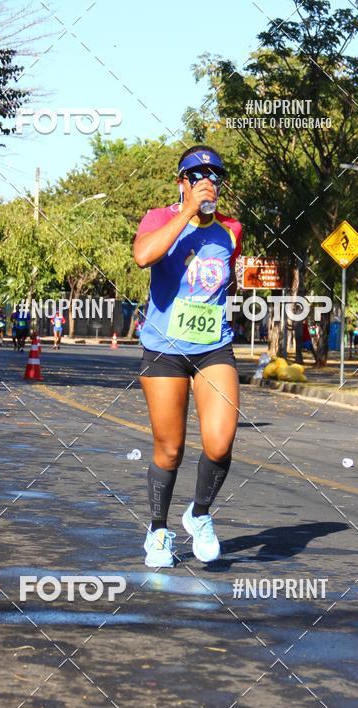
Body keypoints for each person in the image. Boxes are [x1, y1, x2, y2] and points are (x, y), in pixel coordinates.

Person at [133, 145, 242, 568]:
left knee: (219, 441)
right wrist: (186, 215)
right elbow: (143, 256)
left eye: (215, 175)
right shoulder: (159, 218)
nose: (208, 181)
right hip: (164, 349)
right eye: (198, 176)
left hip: (214, 346)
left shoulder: (231, 230)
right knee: (170, 449)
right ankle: (158, 530)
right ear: (182, 182)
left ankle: (198, 515)